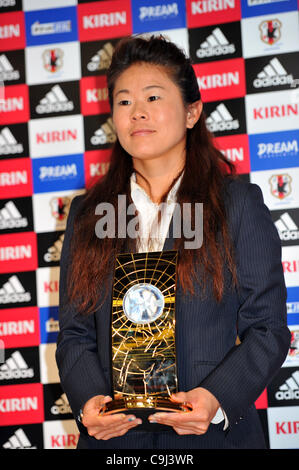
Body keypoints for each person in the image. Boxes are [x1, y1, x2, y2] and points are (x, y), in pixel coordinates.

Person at [56, 34, 290, 449]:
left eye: (153, 97)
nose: (137, 113)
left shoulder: (235, 204)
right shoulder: (88, 213)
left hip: (210, 436)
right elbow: (75, 333)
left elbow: (268, 329)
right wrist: (90, 402)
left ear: (192, 112)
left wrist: (216, 398)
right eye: (124, 101)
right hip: (116, 443)